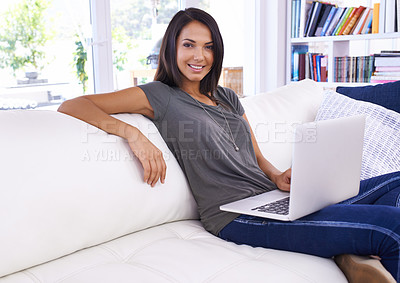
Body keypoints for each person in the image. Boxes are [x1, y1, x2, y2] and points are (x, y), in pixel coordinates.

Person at [58, 8, 400, 283]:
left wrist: (278, 176)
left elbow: (255, 154)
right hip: (236, 216)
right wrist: (133, 135)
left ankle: (345, 249)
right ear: (172, 48)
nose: (199, 56)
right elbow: (75, 104)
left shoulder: (227, 96)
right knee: (392, 228)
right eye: (188, 45)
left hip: (274, 198)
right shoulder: (158, 95)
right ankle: (347, 245)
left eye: (208, 47)